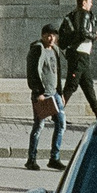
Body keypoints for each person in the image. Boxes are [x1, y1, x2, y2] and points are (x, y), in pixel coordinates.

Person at [57, 0, 97, 121]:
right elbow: (82, 31)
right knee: (71, 85)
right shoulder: (83, 14)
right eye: (90, 1)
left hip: (81, 55)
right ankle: (56, 112)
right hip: (78, 55)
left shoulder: (79, 14)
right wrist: (95, 36)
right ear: (84, 2)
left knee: (88, 85)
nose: (92, 3)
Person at [25, 23, 67, 171]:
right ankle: (31, 159)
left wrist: (60, 93)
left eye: (54, 35)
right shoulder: (37, 49)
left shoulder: (55, 50)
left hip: (54, 93)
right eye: (48, 35)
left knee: (61, 123)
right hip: (42, 95)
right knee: (39, 125)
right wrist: (38, 92)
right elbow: (32, 72)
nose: (51, 38)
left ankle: (54, 158)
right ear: (43, 35)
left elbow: (58, 72)